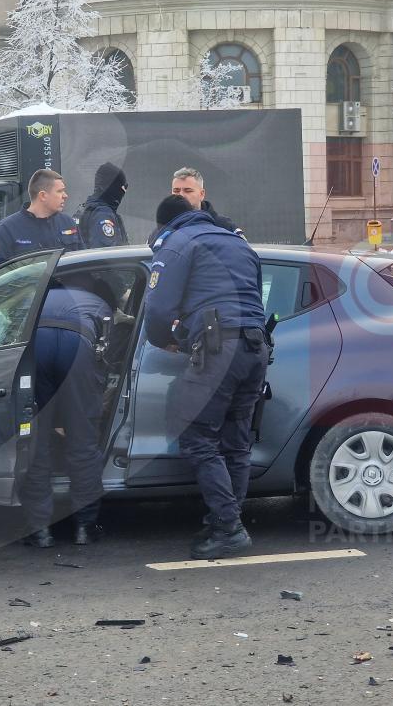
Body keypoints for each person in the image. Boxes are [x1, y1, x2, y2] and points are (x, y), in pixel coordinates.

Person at [143, 195, 269, 560]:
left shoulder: (178, 243)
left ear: (166, 224)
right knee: (235, 440)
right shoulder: (237, 241)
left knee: (197, 438)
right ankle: (225, 521)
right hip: (255, 348)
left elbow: (159, 308)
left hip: (218, 349)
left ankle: (228, 528)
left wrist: (164, 340)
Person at [19, 275, 114, 547]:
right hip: (79, 345)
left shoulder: (36, 298)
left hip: (37, 344)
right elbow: (105, 361)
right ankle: (85, 526)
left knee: (36, 440)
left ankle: (39, 530)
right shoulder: (99, 305)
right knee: (82, 440)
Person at [0, 169, 83, 271]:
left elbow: (83, 261)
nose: (65, 196)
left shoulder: (67, 223)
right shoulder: (7, 229)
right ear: (43, 196)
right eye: (60, 191)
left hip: (68, 287)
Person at [169, 167, 246, 238]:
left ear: (202, 194)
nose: (181, 195)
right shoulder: (164, 228)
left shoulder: (225, 226)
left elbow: (244, 252)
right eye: (176, 191)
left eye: (188, 191)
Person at [76, 162, 130, 248]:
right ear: (111, 187)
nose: (124, 192)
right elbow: (107, 255)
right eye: (124, 187)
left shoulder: (84, 209)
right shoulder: (102, 214)